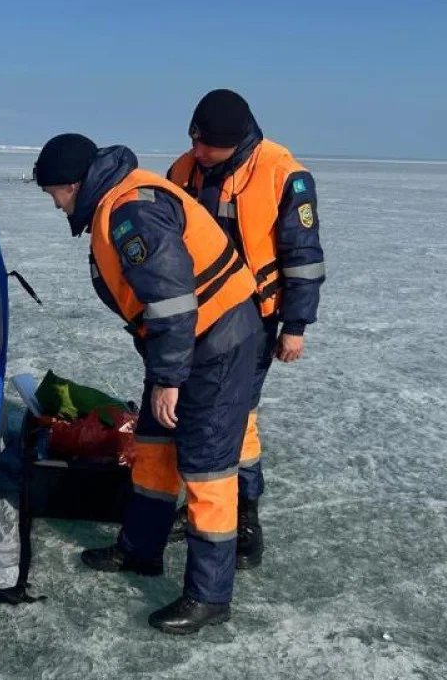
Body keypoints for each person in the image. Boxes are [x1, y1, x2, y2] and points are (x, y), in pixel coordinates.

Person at [33, 133, 262, 633]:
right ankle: (140, 549)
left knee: (206, 469)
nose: (52, 202)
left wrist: (167, 379)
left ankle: (209, 596)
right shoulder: (117, 199)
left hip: (215, 343)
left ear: (73, 184)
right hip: (186, 342)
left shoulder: (130, 212)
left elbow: (175, 300)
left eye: (53, 191)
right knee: (155, 448)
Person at [166, 90, 326, 569]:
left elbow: (303, 259)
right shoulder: (182, 171)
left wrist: (294, 326)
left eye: (207, 146)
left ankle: (245, 513)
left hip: (252, 321)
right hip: (193, 317)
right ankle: (201, 503)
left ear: (235, 144)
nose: (197, 152)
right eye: (192, 140)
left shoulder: (283, 173)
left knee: (238, 418)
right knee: (193, 412)